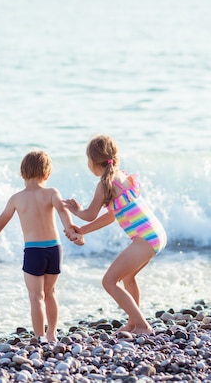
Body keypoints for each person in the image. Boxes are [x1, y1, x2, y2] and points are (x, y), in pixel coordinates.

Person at [63, 135, 167, 335]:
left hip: (145, 238)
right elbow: (111, 216)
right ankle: (133, 323)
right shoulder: (121, 177)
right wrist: (82, 231)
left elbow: (90, 214)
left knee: (109, 281)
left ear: (92, 162)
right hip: (156, 234)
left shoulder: (104, 184)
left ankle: (143, 326)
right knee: (128, 277)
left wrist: (76, 210)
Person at [0, 150, 84, 342]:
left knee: (36, 296)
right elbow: (63, 213)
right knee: (50, 293)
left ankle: (40, 338)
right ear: (47, 174)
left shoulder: (17, 198)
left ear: (22, 173)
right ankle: (52, 333)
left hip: (34, 251)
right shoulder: (52, 193)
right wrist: (74, 234)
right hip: (54, 249)